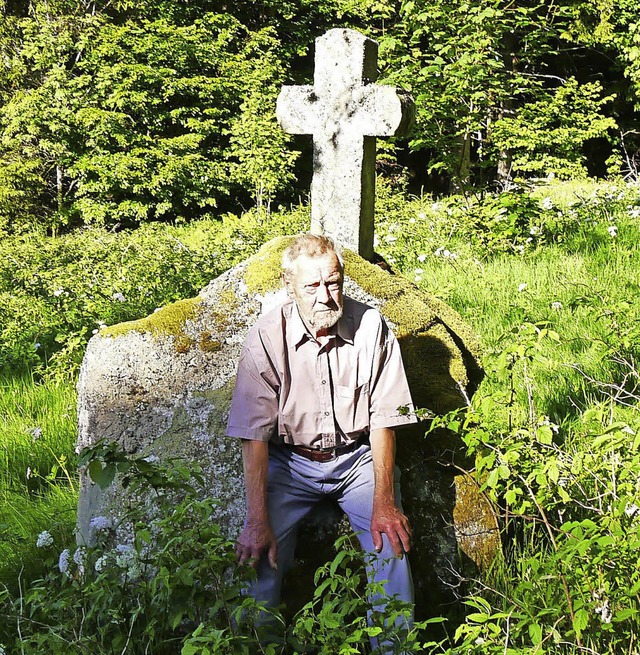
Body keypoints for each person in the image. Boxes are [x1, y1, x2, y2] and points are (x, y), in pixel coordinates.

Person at [226, 233, 417, 645]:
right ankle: (258, 645)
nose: (325, 296)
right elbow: (254, 434)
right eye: (312, 286)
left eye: (333, 282)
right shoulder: (266, 335)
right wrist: (256, 519)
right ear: (288, 285)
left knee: (391, 547)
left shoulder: (371, 327)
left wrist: (384, 502)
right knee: (258, 556)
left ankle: (394, 647)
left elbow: (385, 419)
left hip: (357, 459)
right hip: (290, 463)